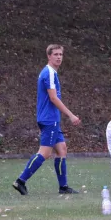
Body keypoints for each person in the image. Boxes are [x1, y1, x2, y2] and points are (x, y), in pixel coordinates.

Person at [12, 44, 82, 195]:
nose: (58, 57)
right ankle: (20, 181)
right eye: (55, 54)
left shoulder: (52, 73)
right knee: (45, 153)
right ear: (49, 56)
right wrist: (70, 115)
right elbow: (53, 98)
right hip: (49, 119)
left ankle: (63, 187)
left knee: (62, 149)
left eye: (60, 54)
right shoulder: (48, 73)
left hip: (52, 119)